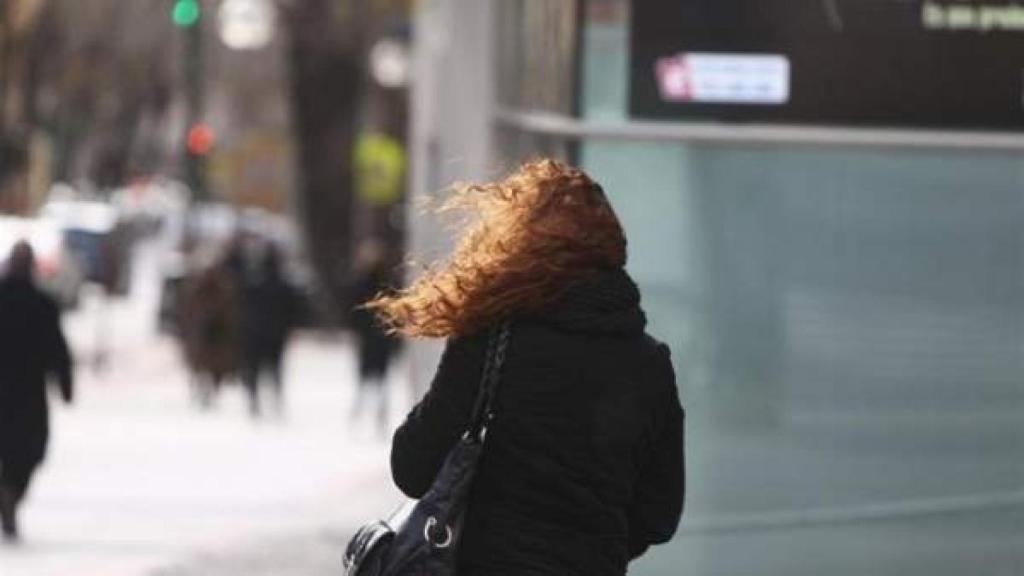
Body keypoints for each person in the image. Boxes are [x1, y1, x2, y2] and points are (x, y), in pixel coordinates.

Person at [366, 160, 685, 575]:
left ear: (519, 247)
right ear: (612, 252)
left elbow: (413, 468)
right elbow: (659, 514)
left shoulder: (490, 341)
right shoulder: (649, 364)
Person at [0, 241, 73, 541]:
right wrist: (66, 384)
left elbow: (56, 347)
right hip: (29, 394)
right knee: (28, 452)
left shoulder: (42, 303)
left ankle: (8, 495)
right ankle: (11, 494)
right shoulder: (42, 302)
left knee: (26, 451)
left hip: (18, 391)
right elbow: (58, 350)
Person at [237, 241, 299, 418]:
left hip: (257, 333)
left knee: (255, 370)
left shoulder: (254, 283)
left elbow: (244, 307)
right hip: (275, 334)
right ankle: (274, 401)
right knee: (274, 369)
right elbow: (293, 311)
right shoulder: (283, 285)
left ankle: (256, 401)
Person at [349, 240, 400, 434]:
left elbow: (353, 313)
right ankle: (371, 414)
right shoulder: (388, 285)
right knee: (377, 379)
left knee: (369, 378)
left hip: (373, 340)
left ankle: (367, 413)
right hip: (380, 339)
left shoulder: (365, 284)